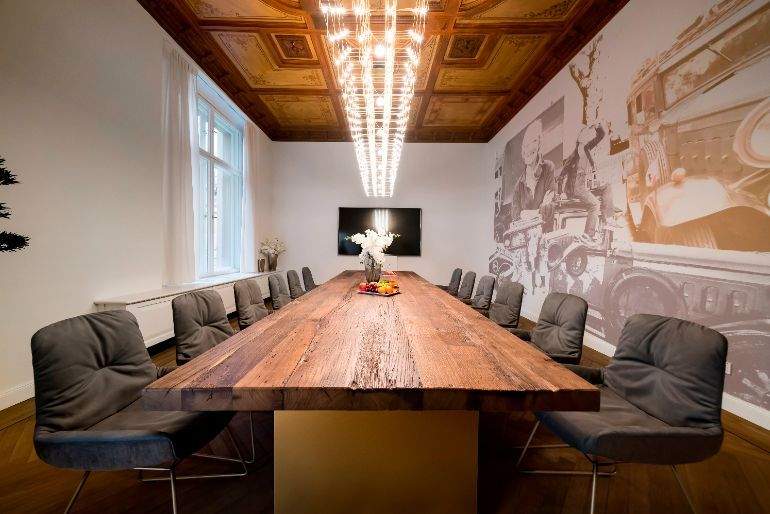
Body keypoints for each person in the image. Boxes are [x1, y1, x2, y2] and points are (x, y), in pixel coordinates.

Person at [560, 122, 615, 242]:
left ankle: (608, 219)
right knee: (595, 204)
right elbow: (561, 176)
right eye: (583, 137)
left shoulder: (586, 149)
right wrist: (561, 193)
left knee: (607, 187)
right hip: (576, 189)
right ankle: (588, 235)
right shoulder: (573, 157)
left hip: (584, 188)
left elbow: (600, 136)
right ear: (579, 140)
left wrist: (597, 125)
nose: (586, 140)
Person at [511, 119, 557, 233]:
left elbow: (549, 207)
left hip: (546, 234)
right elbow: (515, 215)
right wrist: (538, 212)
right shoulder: (519, 185)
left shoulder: (548, 167)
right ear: (523, 148)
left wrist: (525, 214)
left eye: (534, 141)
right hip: (527, 237)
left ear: (539, 145)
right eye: (526, 144)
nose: (529, 147)